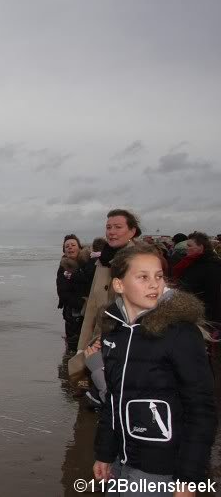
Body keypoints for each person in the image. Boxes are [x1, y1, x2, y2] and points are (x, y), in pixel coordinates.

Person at [93, 243, 216, 491]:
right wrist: (104, 453)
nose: (154, 284)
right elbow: (113, 401)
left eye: (159, 276)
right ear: (119, 285)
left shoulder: (180, 333)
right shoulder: (115, 333)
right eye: (143, 277)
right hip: (120, 459)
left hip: (160, 469)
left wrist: (188, 479)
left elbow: (201, 410)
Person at [68, 209, 141, 383]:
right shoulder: (103, 260)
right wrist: (82, 346)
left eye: (118, 227)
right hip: (98, 339)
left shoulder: (139, 260)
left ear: (132, 231)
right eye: (108, 227)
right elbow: (93, 303)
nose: (111, 232)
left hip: (124, 341)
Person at [173, 231, 221, 331]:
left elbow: (213, 295)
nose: (187, 248)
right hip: (192, 312)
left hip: (204, 317)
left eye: (190, 246)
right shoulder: (191, 263)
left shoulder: (210, 266)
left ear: (201, 247)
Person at [56, 234, 91, 351]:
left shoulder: (90, 263)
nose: (70, 247)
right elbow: (62, 292)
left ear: (79, 247)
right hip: (73, 312)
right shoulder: (63, 267)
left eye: (73, 245)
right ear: (64, 251)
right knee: (73, 345)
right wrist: (80, 304)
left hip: (92, 309)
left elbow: (91, 281)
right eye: (67, 246)